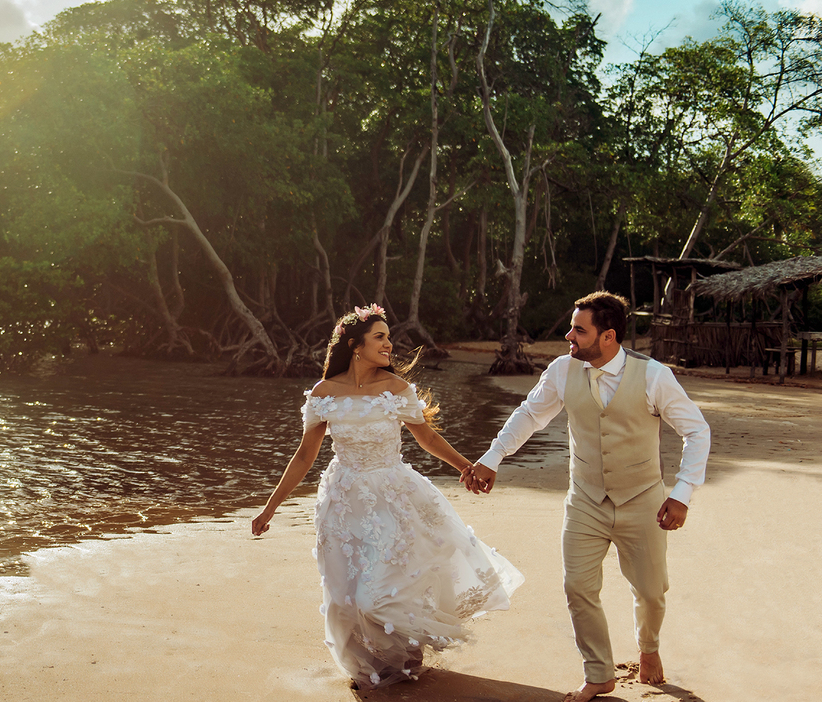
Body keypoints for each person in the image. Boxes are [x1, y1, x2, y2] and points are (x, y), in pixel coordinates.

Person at [252, 304, 523, 690]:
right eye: (380, 337)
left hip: (392, 497)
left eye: (389, 337)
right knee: (345, 597)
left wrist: (467, 467)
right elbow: (304, 456)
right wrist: (270, 508)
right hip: (342, 501)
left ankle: (407, 651)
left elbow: (427, 438)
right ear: (355, 345)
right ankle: (372, 666)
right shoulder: (324, 393)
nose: (389, 344)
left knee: (378, 594)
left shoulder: (396, 389)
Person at [464, 291, 710, 702]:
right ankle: (598, 673)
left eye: (579, 330)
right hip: (585, 500)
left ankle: (648, 648)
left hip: (644, 502)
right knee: (578, 587)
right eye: (571, 328)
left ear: (608, 336)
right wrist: (493, 458)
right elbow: (530, 414)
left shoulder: (654, 376)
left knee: (651, 591)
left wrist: (682, 493)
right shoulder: (563, 370)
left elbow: (697, 431)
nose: (569, 336)